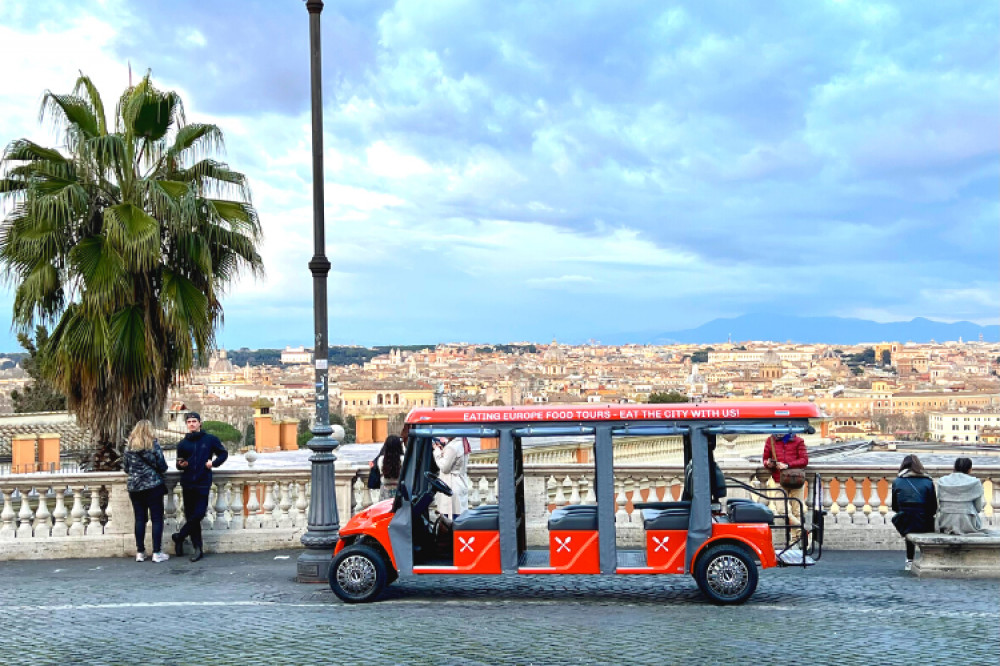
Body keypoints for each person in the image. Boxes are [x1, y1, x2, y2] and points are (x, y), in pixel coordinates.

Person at [171, 412, 227, 562]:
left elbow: (223, 454)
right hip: (187, 482)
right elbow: (179, 464)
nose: (191, 424)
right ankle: (198, 548)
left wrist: (213, 464)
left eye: (194, 421)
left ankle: (179, 536)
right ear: (187, 424)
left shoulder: (210, 440)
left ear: (200, 423)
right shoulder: (182, 444)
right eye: (189, 421)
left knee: (199, 514)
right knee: (190, 516)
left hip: (203, 481)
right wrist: (180, 465)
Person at [123, 420, 169, 563]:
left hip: (135, 487)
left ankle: (140, 552)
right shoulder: (153, 445)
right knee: (156, 519)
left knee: (140, 519)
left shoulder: (129, 447)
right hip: (152, 485)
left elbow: (126, 467)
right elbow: (162, 465)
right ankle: (156, 552)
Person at [891, 454, 937, 571]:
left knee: (907, 521)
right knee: (928, 521)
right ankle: (927, 558)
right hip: (923, 519)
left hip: (905, 520)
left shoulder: (897, 481)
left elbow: (895, 506)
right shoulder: (928, 481)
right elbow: (933, 507)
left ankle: (909, 560)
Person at [762, 432, 809, 538]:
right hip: (779, 480)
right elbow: (765, 459)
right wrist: (768, 463)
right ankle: (802, 529)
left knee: (797, 510)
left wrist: (788, 465)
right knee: (781, 510)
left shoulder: (798, 441)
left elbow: (804, 460)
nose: (779, 433)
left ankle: (796, 539)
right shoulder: (770, 441)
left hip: (796, 479)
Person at [936, 457, 985, 535]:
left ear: (954, 468)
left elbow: (938, 504)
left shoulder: (942, 481)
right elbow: (978, 508)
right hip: (968, 523)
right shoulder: (975, 482)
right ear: (969, 469)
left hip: (945, 522)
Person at [433, 437, 469, 521]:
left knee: (449, 520)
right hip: (460, 483)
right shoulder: (462, 443)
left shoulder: (452, 447)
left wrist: (437, 451)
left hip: (451, 484)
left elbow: (445, 468)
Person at [377, 435, 405, 501]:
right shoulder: (403, 459)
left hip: (385, 490)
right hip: (399, 490)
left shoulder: (381, 460)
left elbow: (380, 472)